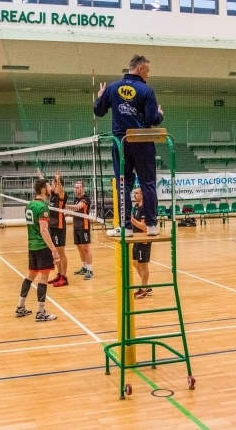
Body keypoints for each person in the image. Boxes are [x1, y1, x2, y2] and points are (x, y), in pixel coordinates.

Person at [94, 54, 164, 237]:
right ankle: (151, 226)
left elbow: (98, 111)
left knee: (123, 184)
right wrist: (159, 114)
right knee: (148, 184)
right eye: (147, 71)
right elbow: (151, 119)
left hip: (121, 143)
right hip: (142, 142)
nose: (147, 76)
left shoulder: (112, 87)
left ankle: (125, 227)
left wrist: (100, 97)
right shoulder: (146, 90)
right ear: (140, 69)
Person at [16, 178, 60, 321]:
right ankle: (41, 312)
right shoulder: (42, 207)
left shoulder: (29, 205)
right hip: (42, 246)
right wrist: (53, 249)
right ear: (43, 189)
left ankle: (20, 307)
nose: (50, 189)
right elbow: (44, 230)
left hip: (32, 246)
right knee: (43, 277)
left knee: (31, 275)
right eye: (48, 186)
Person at [40, 169, 68, 287]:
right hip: (53, 226)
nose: (51, 185)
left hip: (60, 227)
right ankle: (59, 274)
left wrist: (57, 178)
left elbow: (60, 188)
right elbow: (45, 183)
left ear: (57, 184)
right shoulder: (52, 195)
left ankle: (64, 277)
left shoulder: (61, 194)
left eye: (53, 183)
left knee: (61, 253)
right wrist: (40, 175)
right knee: (55, 253)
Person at [67, 180, 93, 280]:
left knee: (86, 248)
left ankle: (90, 270)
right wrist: (67, 214)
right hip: (76, 226)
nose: (76, 189)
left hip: (84, 226)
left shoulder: (85, 198)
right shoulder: (76, 199)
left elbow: (78, 207)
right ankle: (84, 267)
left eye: (78, 187)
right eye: (75, 187)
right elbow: (75, 212)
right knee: (79, 248)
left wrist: (65, 206)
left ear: (83, 188)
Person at [130, 188, 152, 298]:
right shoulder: (136, 207)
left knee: (143, 265)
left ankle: (143, 289)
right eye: (134, 193)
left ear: (143, 194)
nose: (135, 195)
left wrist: (131, 220)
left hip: (143, 239)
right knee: (135, 262)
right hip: (136, 238)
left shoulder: (145, 208)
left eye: (137, 193)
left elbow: (144, 226)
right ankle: (146, 285)